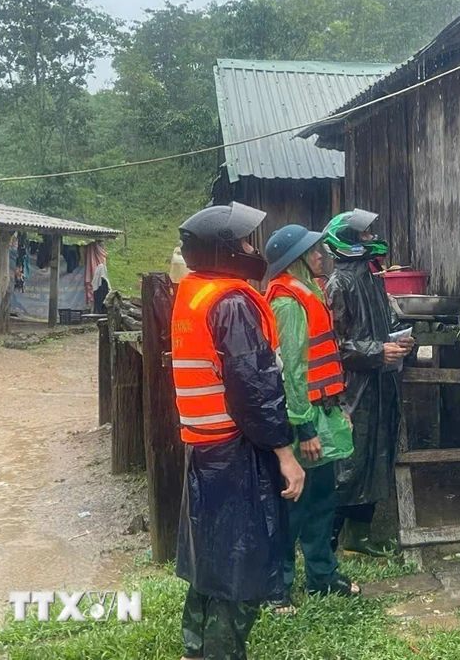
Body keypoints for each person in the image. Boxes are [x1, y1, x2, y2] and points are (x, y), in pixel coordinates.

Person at [171, 202, 306, 660]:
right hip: (234, 450)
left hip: (203, 448)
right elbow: (255, 389)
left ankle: (195, 649)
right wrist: (285, 453)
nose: (252, 248)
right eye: (246, 241)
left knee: (209, 559)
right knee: (239, 563)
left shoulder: (194, 293)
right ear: (225, 250)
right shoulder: (231, 303)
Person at [264, 224, 359, 598]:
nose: (321, 254)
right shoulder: (287, 303)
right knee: (294, 506)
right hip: (302, 418)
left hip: (323, 410)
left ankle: (322, 576)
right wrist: (304, 430)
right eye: (314, 250)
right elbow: (290, 372)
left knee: (322, 499)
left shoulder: (310, 294)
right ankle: (279, 586)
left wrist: (337, 409)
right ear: (297, 260)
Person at [322, 209, 414, 557]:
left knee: (378, 457)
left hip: (381, 384)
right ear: (346, 242)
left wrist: (399, 341)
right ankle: (327, 542)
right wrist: (378, 351)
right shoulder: (338, 285)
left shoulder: (374, 279)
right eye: (363, 235)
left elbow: (383, 327)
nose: (370, 238)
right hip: (353, 388)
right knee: (349, 463)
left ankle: (360, 537)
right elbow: (334, 346)